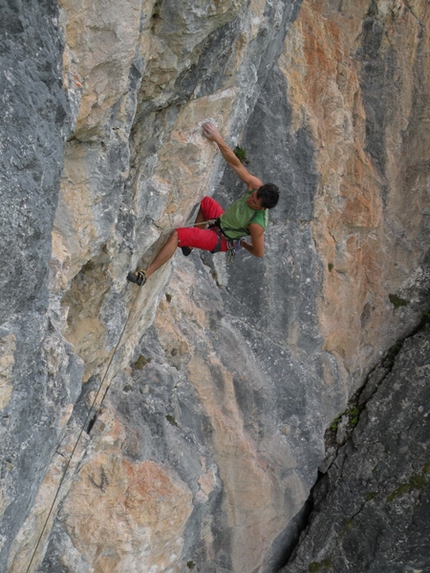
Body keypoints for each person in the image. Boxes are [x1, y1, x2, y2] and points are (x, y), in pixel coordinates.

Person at [127, 122, 279, 286]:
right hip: (221, 221)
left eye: (254, 201)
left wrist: (242, 243)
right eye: (253, 195)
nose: (250, 198)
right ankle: (190, 245)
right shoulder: (255, 186)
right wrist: (217, 139)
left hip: (220, 239)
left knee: (178, 235)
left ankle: (145, 275)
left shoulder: (257, 224)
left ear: (262, 208)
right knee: (206, 202)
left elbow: (259, 252)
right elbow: (235, 164)